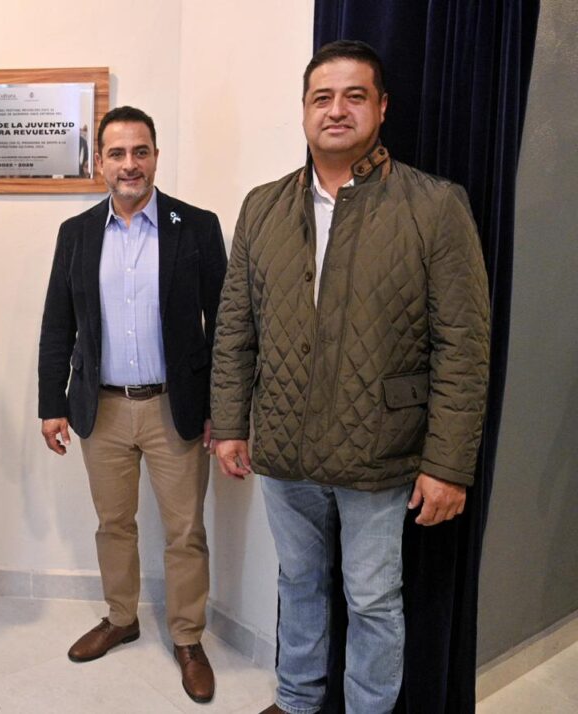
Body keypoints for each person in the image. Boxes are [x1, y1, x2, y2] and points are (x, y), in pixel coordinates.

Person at [210, 40, 491, 714]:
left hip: (380, 452)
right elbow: (236, 327)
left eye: (354, 96)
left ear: (382, 107)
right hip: (285, 447)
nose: (336, 110)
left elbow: (464, 344)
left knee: (373, 600)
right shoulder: (262, 207)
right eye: (322, 98)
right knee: (298, 583)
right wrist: (229, 424)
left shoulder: (434, 205)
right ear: (305, 110)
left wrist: (448, 465)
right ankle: (298, 700)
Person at [38, 105, 227, 704]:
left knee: (185, 530)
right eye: (117, 153)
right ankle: (121, 618)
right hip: (104, 409)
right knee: (114, 523)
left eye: (140, 152)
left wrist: (224, 411)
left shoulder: (196, 227)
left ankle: (188, 637)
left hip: (176, 407)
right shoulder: (76, 233)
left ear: (156, 157)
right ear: (99, 161)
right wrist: (51, 403)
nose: (129, 164)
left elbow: (226, 327)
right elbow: (58, 324)